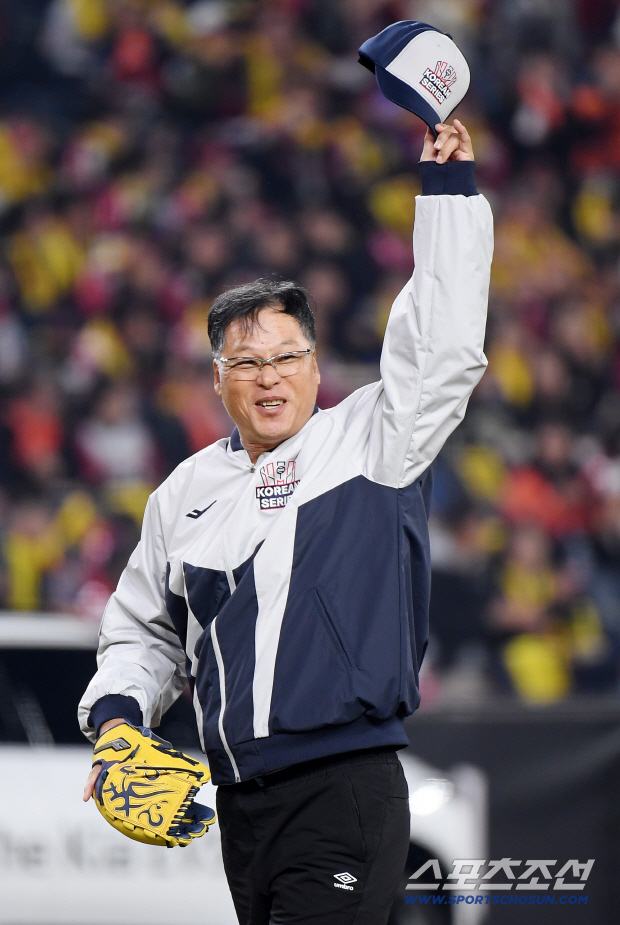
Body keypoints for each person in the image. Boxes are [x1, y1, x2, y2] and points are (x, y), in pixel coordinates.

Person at [80, 119, 493, 925]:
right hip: (241, 806)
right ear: (218, 377)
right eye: (249, 361)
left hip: (343, 785)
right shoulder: (182, 493)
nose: (271, 377)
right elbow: (143, 633)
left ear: (316, 362)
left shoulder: (375, 438)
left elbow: (444, 345)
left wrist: (448, 194)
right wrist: (118, 719)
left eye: (288, 356)